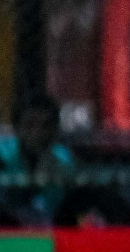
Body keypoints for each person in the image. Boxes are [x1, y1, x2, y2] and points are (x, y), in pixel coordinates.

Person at [0, 92, 76, 223]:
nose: (38, 133)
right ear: (17, 128)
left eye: (45, 126)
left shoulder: (64, 160)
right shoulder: (3, 155)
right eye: (30, 125)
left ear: (55, 129)